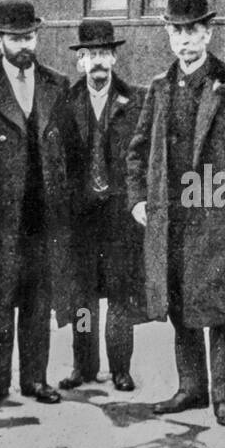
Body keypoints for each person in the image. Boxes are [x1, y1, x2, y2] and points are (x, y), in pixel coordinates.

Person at [126, 0, 225, 427]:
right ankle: (190, 388)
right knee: (179, 305)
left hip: (217, 216)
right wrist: (137, 198)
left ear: (208, 33)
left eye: (192, 31)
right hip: (172, 217)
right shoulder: (159, 88)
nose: (184, 40)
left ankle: (223, 396)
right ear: (168, 35)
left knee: (220, 309)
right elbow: (136, 151)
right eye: (176, 32)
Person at [0, 0, 75, 408]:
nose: (23, 44)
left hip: (43, 214)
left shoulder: (57, 84)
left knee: (38, 298)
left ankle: (36, 379)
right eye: (14, 38)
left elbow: (69, 149)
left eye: (28, 36)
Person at [60, 19, 147, 393]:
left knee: (120, 297)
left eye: (103, 54)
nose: (96, 61)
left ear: (113, 57)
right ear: (80, 60)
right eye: (89, 54)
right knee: (82, 299)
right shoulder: (65, 102)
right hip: (79, 218)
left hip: (119, 216)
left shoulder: (137, 100)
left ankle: (121, 369)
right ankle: (83, 366)